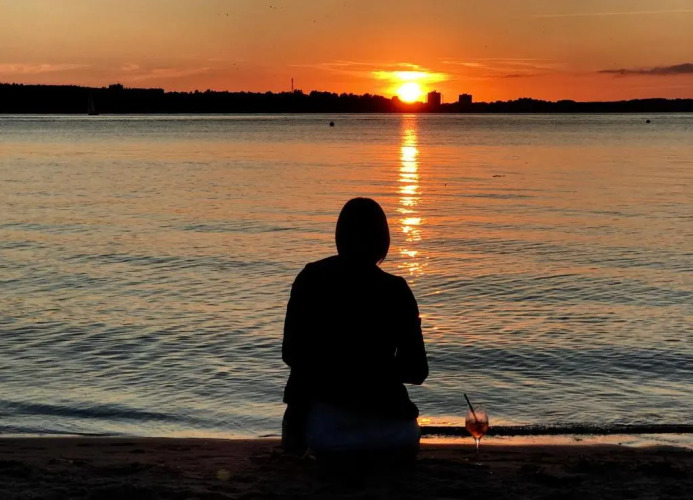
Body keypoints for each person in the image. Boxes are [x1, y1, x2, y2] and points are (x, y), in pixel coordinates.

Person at [281, 197, 428, 459]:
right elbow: (417, 371)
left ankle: (297, 450)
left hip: (327, 432)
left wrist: (336, 369)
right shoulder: (396, 290)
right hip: (393, 433)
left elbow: (291, 353)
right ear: (383, 240)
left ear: (340, 236)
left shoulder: (311, 278)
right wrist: (375, 369)